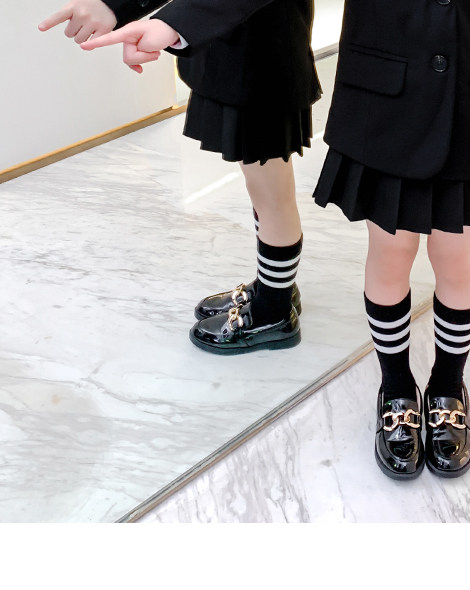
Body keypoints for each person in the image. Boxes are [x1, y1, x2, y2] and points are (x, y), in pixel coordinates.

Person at [311, 0, 470, 479]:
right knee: (390, 253)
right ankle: (395, 386)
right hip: (383, 106)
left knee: (457, 258)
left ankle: (448, 384)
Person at [40, 0, 321, 355]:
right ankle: (274, 287)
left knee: (271, 193)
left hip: (264, 56)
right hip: (234, 48)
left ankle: (273, 314)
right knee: (262, 188)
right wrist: (116, 6)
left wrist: (170, 22)